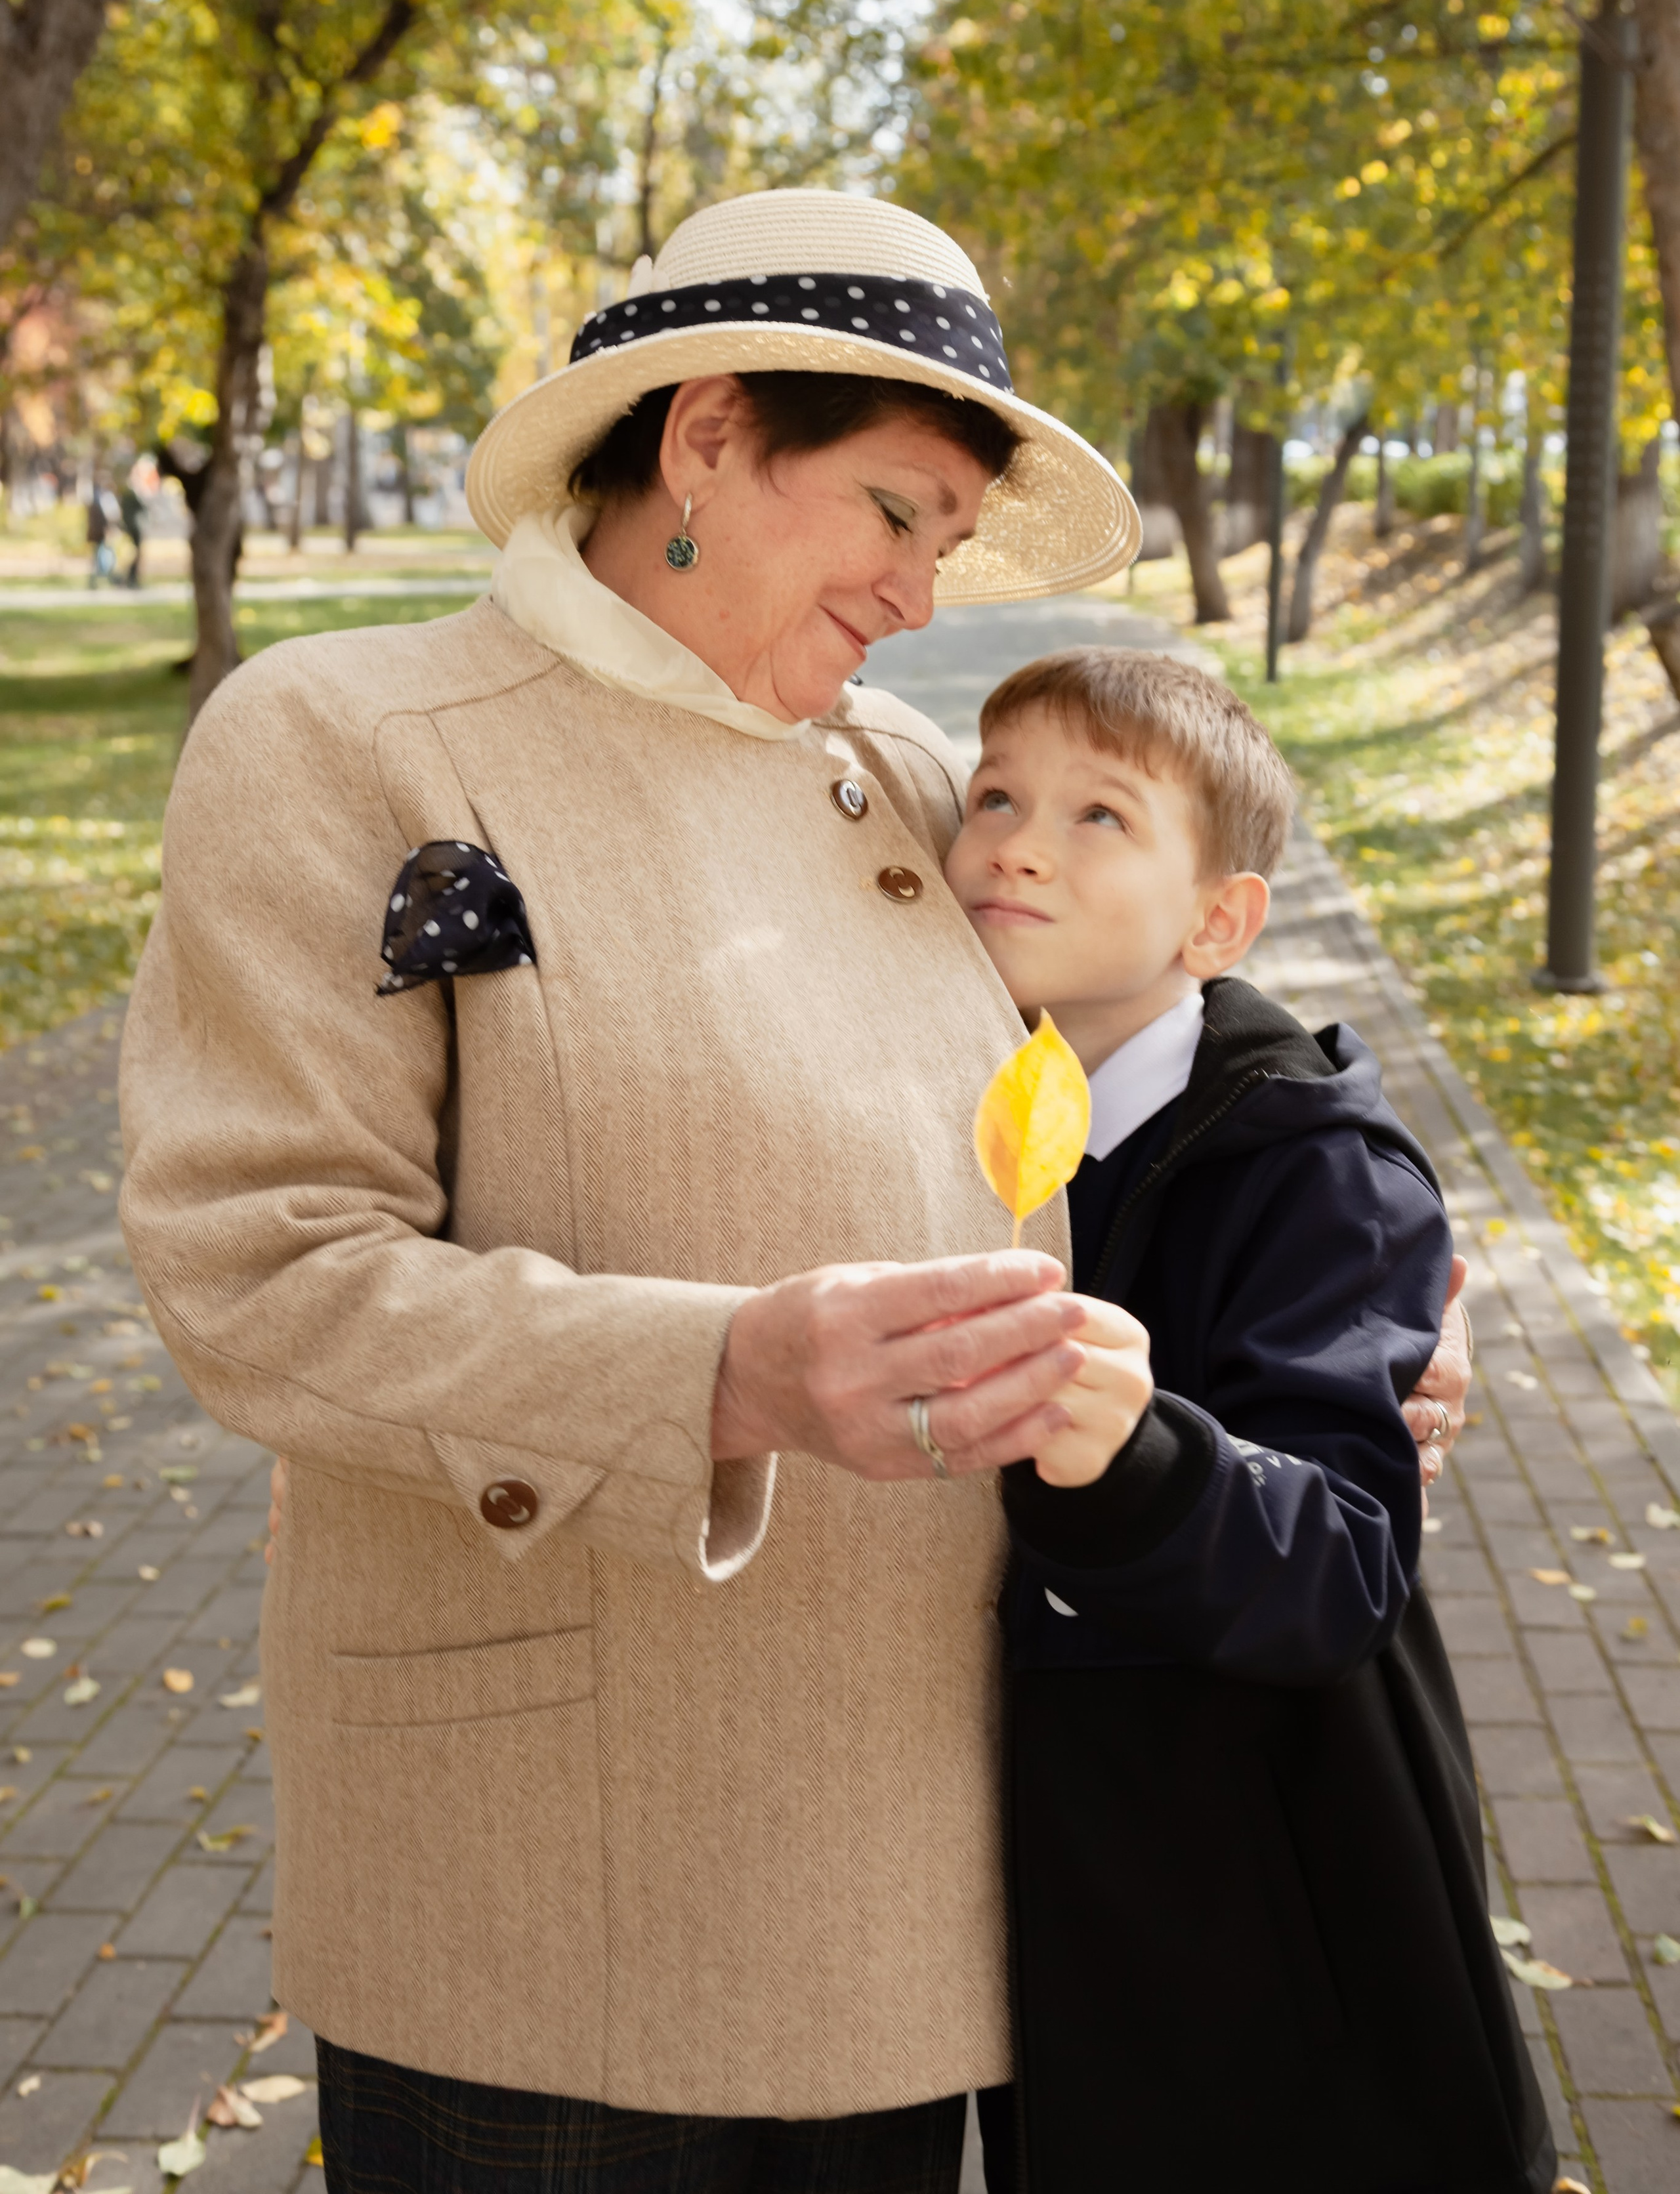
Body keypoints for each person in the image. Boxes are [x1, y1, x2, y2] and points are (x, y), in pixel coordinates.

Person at [120, 190, 1469, 2194]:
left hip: (921, 1888)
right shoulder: (344, 738)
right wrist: (736, 1374)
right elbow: (261, 1274)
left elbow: (1151, 1039)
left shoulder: (919, 782)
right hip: (548, 1889)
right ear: (713, 435)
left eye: (949, 540)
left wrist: (1346, 1307)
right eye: (900, 513)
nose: (924, 595)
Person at [942, 648, 1551, 2194]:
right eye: (995, 795)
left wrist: (1129, 1458)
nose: (1017, 841)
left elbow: (1342, 1562)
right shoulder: (985, 1109)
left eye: (1099, 818)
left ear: (1217, 919)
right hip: (1061, 1900)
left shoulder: (1313, 1171)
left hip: (1255, 1911)